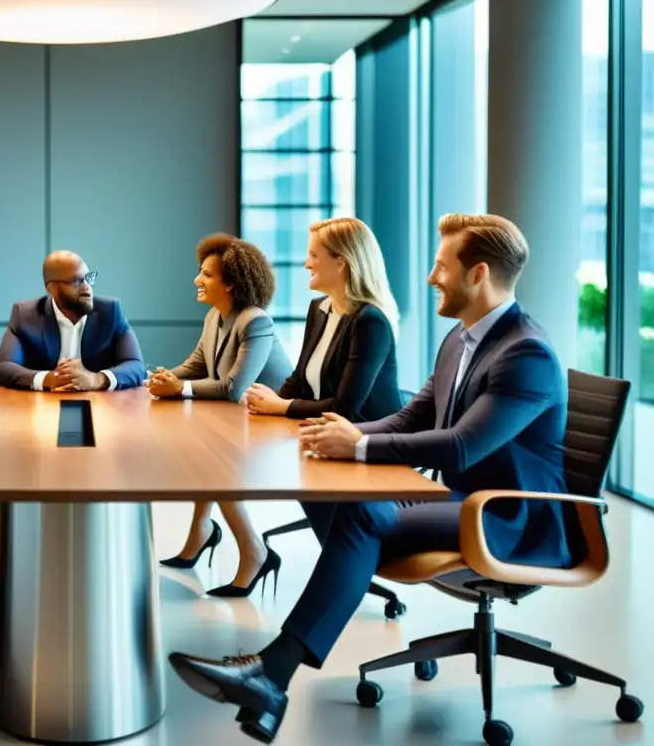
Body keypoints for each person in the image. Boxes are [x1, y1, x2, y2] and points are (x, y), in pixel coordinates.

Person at [168, 213, 572, 743]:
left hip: (511, 515)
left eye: (441, 266)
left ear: (477, 274)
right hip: (458, 497)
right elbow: (411, 416)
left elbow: (462, 444)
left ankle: (269, 676)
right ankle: (269, 677)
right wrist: (338, 434)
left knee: (361, 515)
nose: (431, 277)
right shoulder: (462, 339)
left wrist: (358, 444)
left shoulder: (525, 353)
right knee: (353, 504)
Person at [148, 233, 291, 597]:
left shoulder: (255, 322)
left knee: (216, 463)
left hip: (279, 424)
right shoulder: (216, 316)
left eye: (206, 275)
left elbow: (233, 387)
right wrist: (165, 378)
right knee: (205, 454)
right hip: (242, 421)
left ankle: (254, 551)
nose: (197, 280)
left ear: (230, 282)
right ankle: (202, 533)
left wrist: (178, 390)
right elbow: (196, 365)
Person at [242, 218, 402, 423]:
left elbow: (345, 408)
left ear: (341, 262)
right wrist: (267, 401)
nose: (307, 264)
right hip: (327, 432)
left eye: (314, 255)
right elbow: (299, 378)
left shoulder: (370, 322)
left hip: (369, 441)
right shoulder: (318, 309)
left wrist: (280, 406)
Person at [0, 250, 145, 391]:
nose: (87, 288)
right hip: (42, 406)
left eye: (88, 278)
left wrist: (96, 380)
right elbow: (4, 368)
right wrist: (47, 379)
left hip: (102, 405)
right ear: (52, 288)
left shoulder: (110, 311)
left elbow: (136, 366)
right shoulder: (26, 315)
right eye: (77, 281)